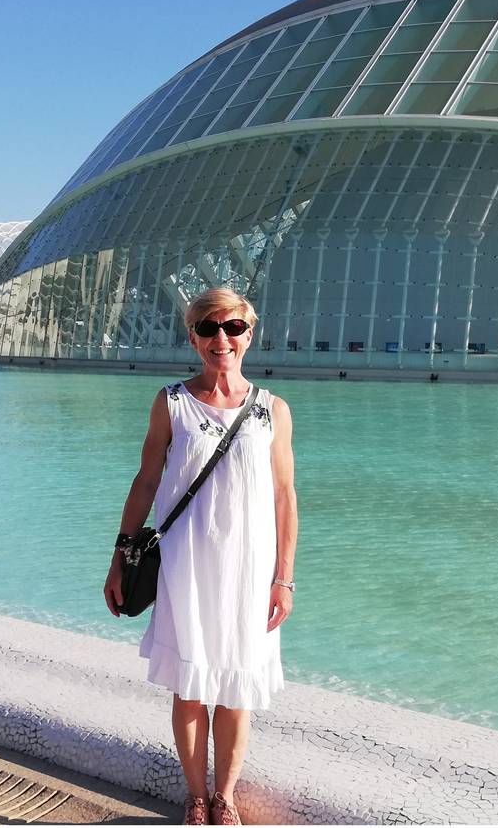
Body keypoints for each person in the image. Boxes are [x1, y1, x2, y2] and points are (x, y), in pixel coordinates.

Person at [104, 288, 297, 826]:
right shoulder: (171, 402)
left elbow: (285, 497)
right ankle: (195, 797)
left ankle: (225, 798)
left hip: (249, 571)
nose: (221, 339)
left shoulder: (273, 411)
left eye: (233, 328)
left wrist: (284, 578)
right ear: (193, 337)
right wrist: (120, 557)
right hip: (185, 565)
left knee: (237, 688)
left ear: (249, 334)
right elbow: (146, 481)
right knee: (190, 690)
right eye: (209, 328)